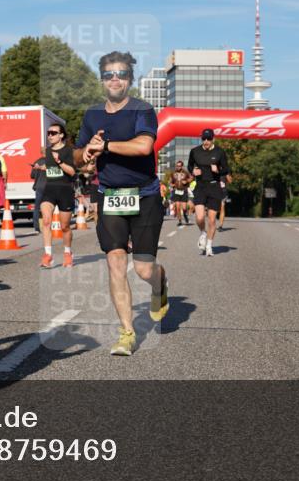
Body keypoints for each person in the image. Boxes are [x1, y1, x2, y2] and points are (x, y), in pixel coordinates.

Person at [74, 51, 168, 357]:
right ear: (102, 80)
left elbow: (144, 146)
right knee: (115, 261)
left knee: (142, 269)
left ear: (129, 79)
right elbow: (77, 155)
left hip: (144, 196)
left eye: (121, 74)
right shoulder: (92, 115)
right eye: (109, 74)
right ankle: (127, 332)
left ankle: (159, 283)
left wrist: (107, 147)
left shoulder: (142, 110)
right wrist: (86, 153)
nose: (115, 79)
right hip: (110, 196)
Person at [39, 123, 76, 268]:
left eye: (53, 133)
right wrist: (43, 167)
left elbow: (72, 172)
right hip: (49, 189)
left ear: (61, 135)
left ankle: (67, 253)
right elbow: (51, 168)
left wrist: (59, 161)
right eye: (48, 133)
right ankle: (48, 255)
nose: (50, 135)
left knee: (65, 226)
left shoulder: (69, 151)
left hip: (65, 190)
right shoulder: (47, 151)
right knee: (47, 221)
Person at [188, 128, 229, 256]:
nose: (206, 141)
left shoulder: (220, 152)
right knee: (199, 217)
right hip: (200, 186)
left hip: (214, 187)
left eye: (208, 139)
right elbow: (189, 166)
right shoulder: (195, 151)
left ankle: (209, 245)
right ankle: (203, 233)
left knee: (211, 220)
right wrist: (193, 172)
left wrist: (218, 171)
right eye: (204, 139)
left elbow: (226, 169)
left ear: (213, 139)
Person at [169, 161, 191, 226]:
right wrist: (172, 184)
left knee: (184, 208)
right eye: (177, 166)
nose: (178, 167)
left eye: (179, 166)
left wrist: (186, 181)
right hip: (176, 191)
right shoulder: (173, 173)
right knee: (177, 207)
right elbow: (170, 182)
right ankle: (180, 221)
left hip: (184, 191)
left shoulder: (186, 172)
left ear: (182, 166)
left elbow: (191, 178)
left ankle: (185, 214)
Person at [30, 154, 47, 232]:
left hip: (39, 187)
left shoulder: (36, 162)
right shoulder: (50, 161)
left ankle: (36, 227)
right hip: (48, 186)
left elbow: (32, 175)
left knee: (37, 208)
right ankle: (50, 224)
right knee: (49, 206)